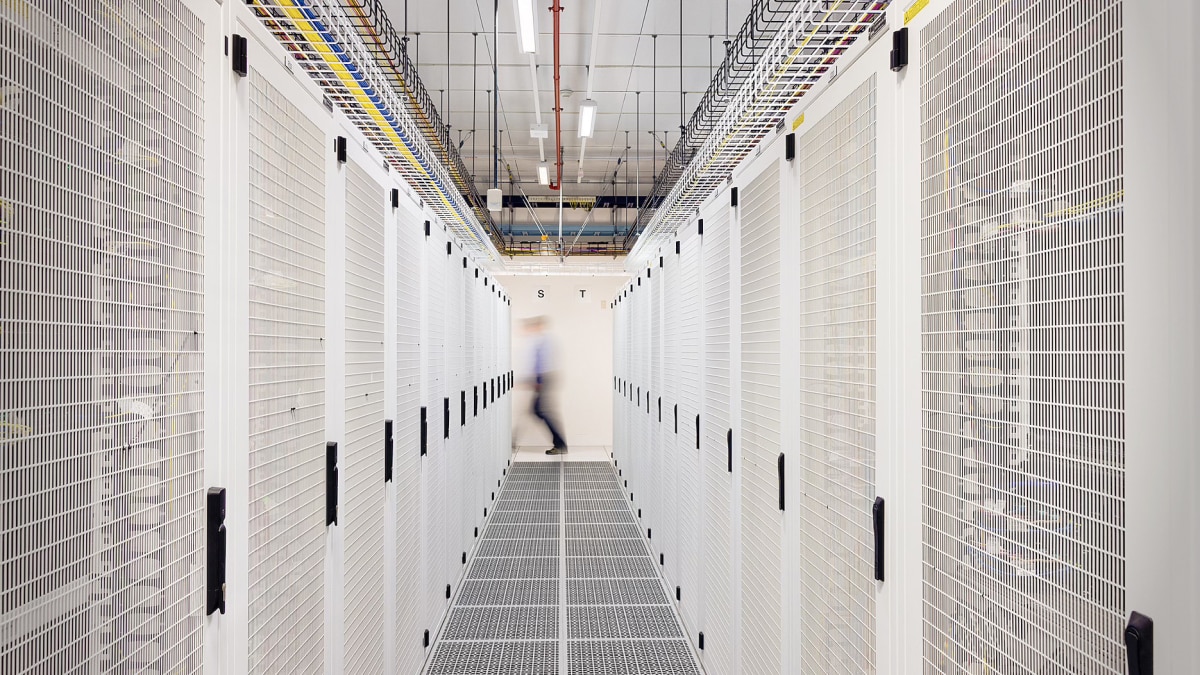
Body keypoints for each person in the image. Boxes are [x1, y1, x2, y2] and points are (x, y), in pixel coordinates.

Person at [525, 316, 567, 455]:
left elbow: (543, 363)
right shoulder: (541, 341)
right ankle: (560, 443)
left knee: (540, 410)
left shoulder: (544, 341)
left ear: (539, 326)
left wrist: (539, 381)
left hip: (545, 377)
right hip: (543, 377)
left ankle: (560, 444)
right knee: (538, 410)